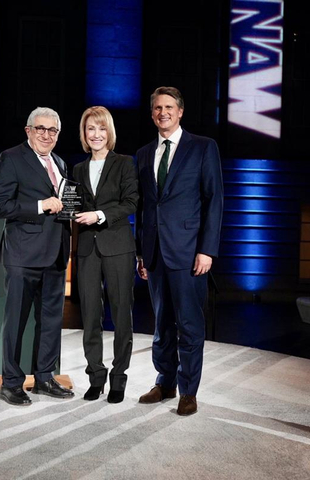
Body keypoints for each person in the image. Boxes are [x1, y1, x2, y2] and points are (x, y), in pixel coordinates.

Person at [136, 86, 224, 415]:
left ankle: (189, 390)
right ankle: (165, 382)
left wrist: (207, 250)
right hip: (156, 253)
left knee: (189, 324)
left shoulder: (203, 147)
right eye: (158, 107)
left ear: (180, 111)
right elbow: (144, 207)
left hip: (190, 254)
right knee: (162, 324)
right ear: (152, 113)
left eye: (169, 107)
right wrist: (141, 253)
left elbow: (214, 200)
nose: (163, 112)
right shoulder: (144, 153)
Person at [0, 106, 74, 406]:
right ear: (28, 130)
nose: (46, 135)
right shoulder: (11, 158)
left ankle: (44, 377)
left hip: (55, 254)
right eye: (40, 128)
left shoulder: (61, 162)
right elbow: (0, 206)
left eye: (52, 130)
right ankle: (11, 383)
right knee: (16, 321)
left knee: (50, 320)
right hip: (23, 255)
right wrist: (40, 206)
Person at [73, 106, 138, 403]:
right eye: (90, 129)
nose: (95, 134)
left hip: (118, 246)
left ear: (108, 132)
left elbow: (131, 202)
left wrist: (98, 214)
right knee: (89, 315)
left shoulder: (125, 163)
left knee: (122, 313)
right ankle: (95, 376)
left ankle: (119, 378)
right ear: (84, 134)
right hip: (87, 248)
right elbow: (73, 206)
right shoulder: (76, 169)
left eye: (100, 129)